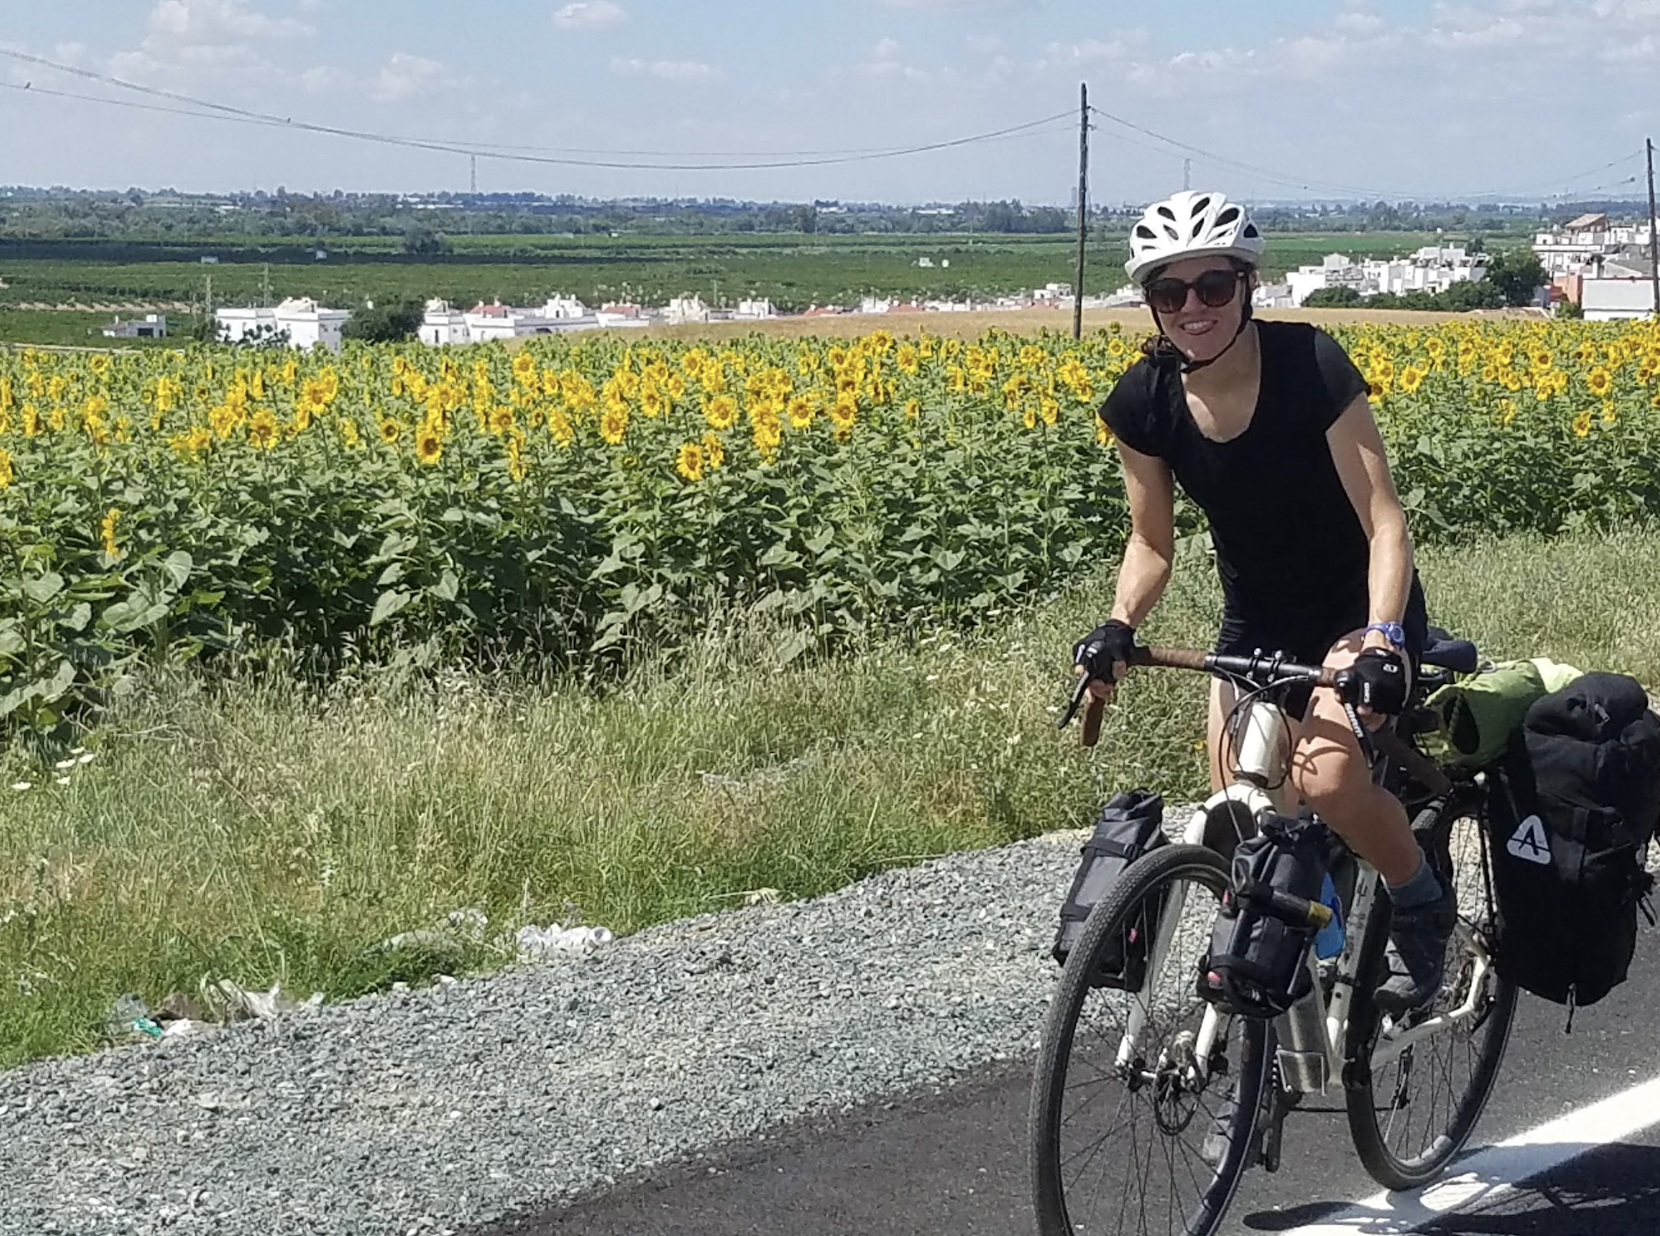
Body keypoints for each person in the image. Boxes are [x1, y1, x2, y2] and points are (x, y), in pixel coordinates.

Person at [1072, 189, 1454, 1013]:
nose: (1193, 308)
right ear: (1152, 303)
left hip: (1360, 612)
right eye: (1170, 292)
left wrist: (1385, 638)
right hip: (1257, 624)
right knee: (1237, 814)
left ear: (1247, 285)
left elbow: (1385, 521)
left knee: (1324, 781)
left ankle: (1422, 905)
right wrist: (1118, 625)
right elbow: (1151, 544)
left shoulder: (1309, 366)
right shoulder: (1144, 400)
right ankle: (1301, 988)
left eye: (1213, 286)